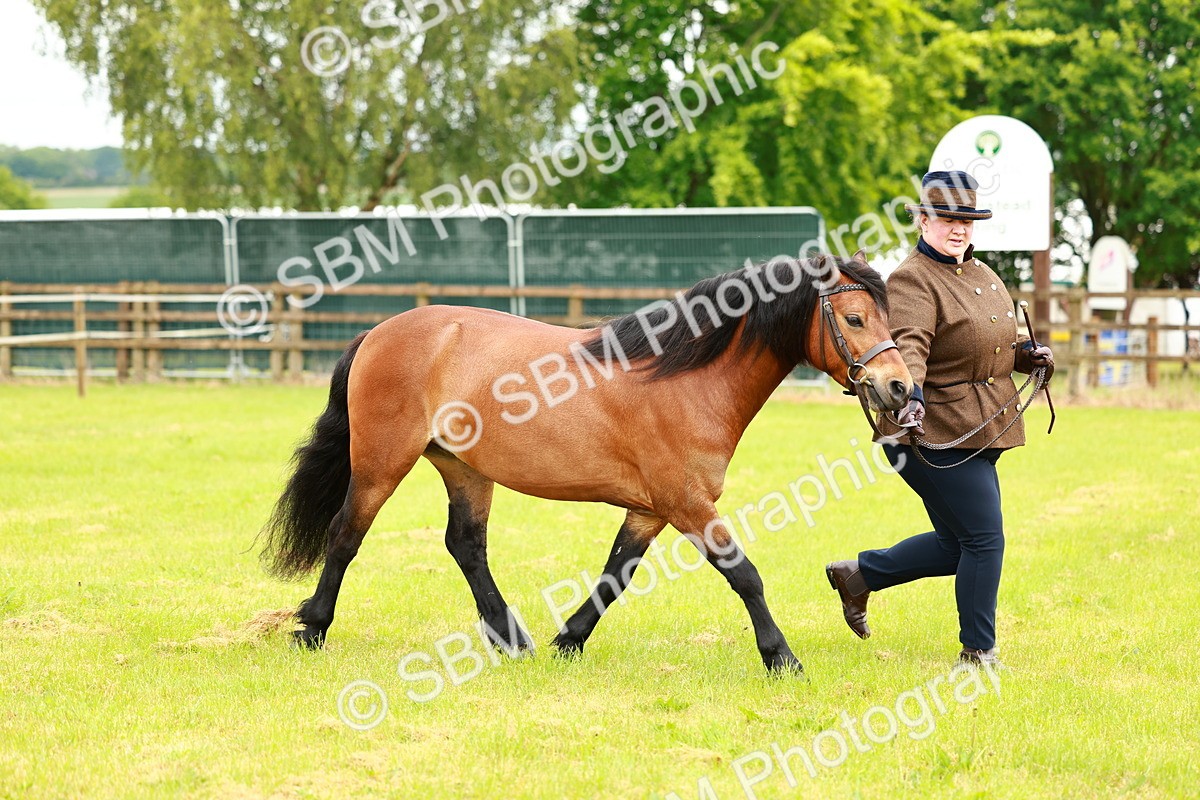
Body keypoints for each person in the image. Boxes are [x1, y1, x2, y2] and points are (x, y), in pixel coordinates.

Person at [825, 170, 1054, 667]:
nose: (959, 229)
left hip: (979, 426)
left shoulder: (981, 274)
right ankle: (978, 652)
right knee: (984, 540)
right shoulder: (912, 279)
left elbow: (988, 345)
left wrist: (1025, 356)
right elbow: (911, 349)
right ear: (923, 219)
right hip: (926, 431)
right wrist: (914, 397)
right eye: (948, 218)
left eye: (967, 220)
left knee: (958, 545)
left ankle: (858, 575)